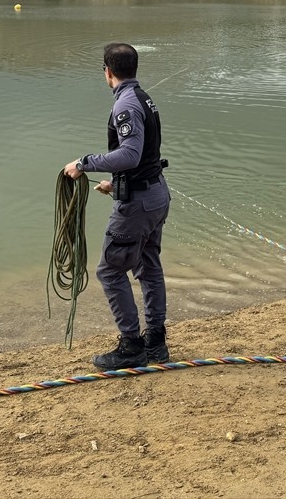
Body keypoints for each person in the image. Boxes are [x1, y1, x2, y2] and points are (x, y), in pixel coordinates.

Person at [63, 42, 171, 369]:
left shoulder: (125, 105)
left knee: (109, 271)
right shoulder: (144, 98)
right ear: (134, 68)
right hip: (154, 195)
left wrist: (83, 163)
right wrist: (117, 181)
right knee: (148, 266)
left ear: (107, 72)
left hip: (138, 205)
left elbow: (130, 154)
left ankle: (131, 346)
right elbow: (144, 156)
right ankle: (155, 341)